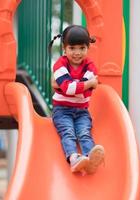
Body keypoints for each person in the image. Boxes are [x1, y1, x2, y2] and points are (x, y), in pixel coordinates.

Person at [48, 25, 105, 174]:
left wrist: (72, 86)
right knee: (68, 132)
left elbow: (82, 94)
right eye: (72, 48)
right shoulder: (60, 64)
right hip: (62, 110)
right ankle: (74, 159)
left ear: (88, 48)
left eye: (82, 48)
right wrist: (86, 84)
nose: (77, 53)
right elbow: (69, 89)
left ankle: (90, 159)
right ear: (64, 48)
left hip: (81, 110)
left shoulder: (90, 66)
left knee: (85, 132)